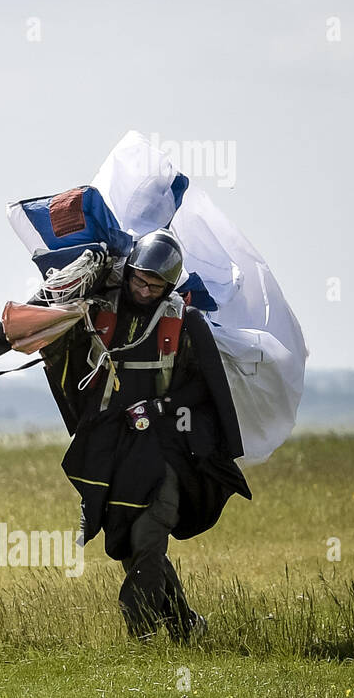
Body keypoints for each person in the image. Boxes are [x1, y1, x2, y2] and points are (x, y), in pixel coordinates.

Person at [34, 229, 251, 641]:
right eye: (139, 280)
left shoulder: (184, 322)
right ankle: (185, 626)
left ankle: (142, 634)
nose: (146, 289)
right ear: (128, 270)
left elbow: (207, 389)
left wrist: (161, 408)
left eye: (156, 284)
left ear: (169, 286)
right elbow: (43, 316)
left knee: (149, 532)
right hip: (112, 448)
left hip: (166, 448)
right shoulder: (96, 308)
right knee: (127, 540)